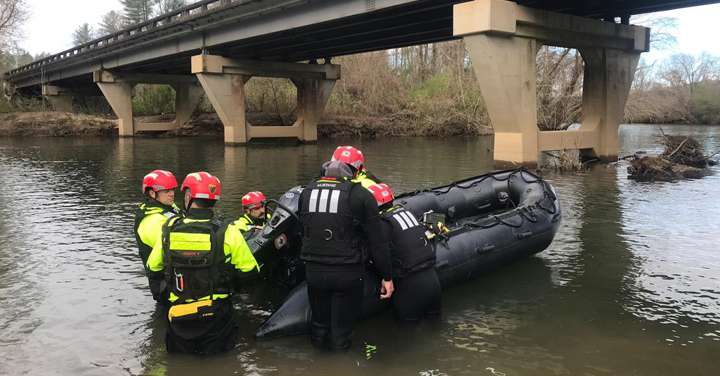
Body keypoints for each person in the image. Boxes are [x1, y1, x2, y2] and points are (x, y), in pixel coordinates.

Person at [146, 172, 260, 354]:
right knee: (219, 364)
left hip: (179, 314)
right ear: (214, 200)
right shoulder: (228, 232)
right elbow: (250, 270)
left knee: (179, 365)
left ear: (189, 197)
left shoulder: (168, 229)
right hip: (216, 314)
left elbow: (153, 266)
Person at [297, 159, 394, 351]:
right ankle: (339, 367)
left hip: (314, 271)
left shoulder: (306, 194)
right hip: (347, 273)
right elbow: (377, 241)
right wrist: (387, 276)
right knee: (341, 334)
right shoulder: (361, 195)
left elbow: (303, 229)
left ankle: (318, 366)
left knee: (319, 328)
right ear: (351, 176)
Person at [367, 183, 441, 321]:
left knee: (407, 332)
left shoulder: (380, 225)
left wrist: (386, 277)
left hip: (410, 289)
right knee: (435, 325)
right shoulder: (407, 213)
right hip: (433, 283)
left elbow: (376, 253)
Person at [134, 169, 182, 304]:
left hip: (174, 276)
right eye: (166, 191)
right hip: (163, 282)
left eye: (173, 190)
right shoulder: (151, 221)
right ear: (152, 193)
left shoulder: (169, 208)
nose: (172, 194)